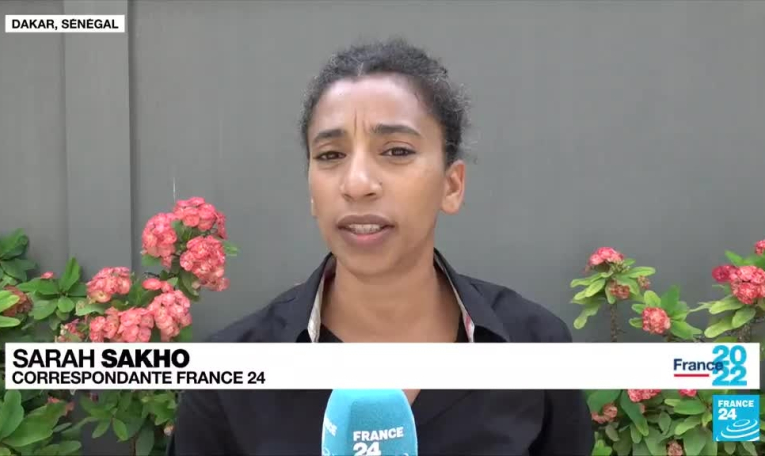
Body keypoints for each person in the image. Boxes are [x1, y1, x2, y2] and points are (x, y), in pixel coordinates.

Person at [169, 37, 594, 456]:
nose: (357, 184)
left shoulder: (535, 345)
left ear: (451, 186)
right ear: (312, 192)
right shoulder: (227, 377)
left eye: (396, 151)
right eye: (331, 155)